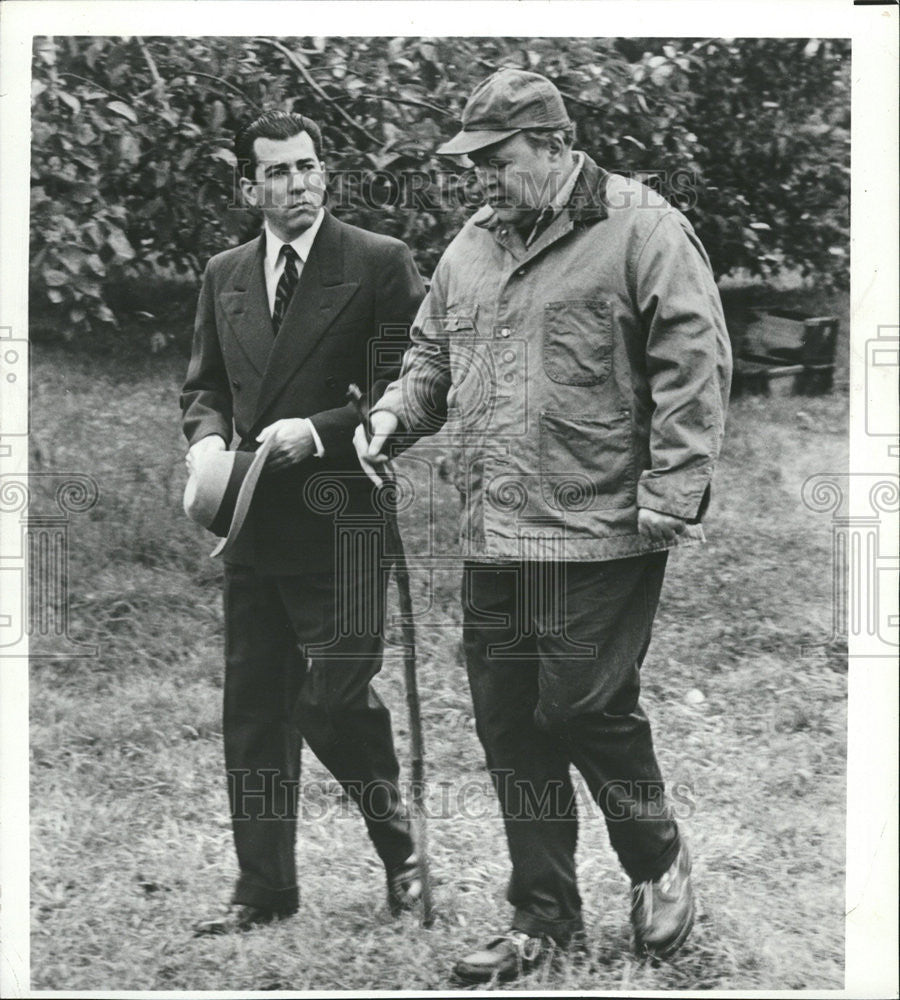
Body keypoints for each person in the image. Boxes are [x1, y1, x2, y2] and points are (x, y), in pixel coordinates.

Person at [357, 68, 732, 982]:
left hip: (602, 521)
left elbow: (694, 356)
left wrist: (673, 487)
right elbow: (430, 354)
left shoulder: (641, 227)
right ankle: (542, 919)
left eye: (498, 157)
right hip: (495, 530)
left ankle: (658, 863)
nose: (481, 175)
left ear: (558, 146)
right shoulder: (470, 247)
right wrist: (394, 417)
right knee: (510, 725)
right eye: (473, 159)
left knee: (583, 706)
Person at [181, 110, 427, 934]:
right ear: (249, 185)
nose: (299, 184)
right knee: (254, 712)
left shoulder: (378, 263)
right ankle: (264, 890)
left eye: (309, 166)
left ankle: (403, 853)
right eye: (279, 172)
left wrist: (318, 431)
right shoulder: (225, 273)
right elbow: (205, 384)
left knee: (335, 702)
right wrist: (208, 440)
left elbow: (413, 378)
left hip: (344, 524)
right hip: (252, 521)